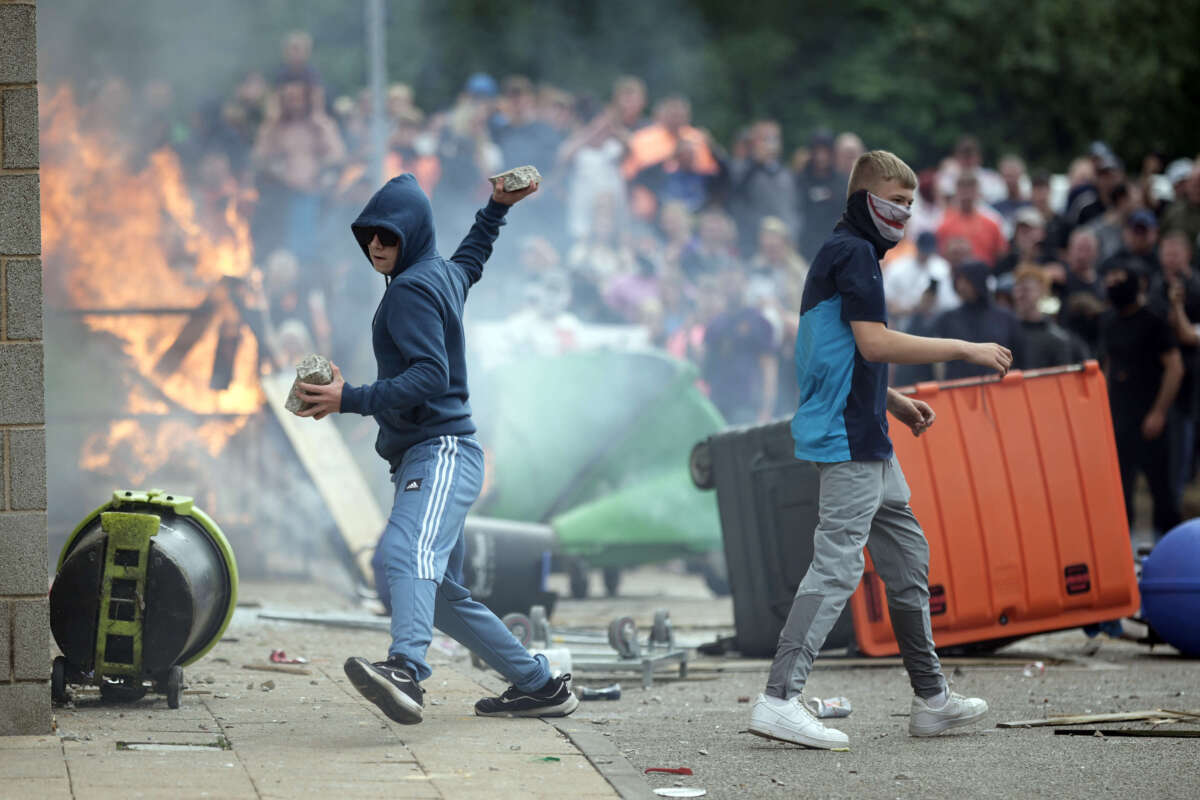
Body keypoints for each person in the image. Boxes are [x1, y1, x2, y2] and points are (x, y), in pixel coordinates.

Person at [291, 173, 579, 724]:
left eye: (389, 236)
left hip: (439, 451)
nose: (377, 245)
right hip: (435, 454)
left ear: (412, 235)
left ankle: (406, 669)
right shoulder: (438, 274)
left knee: (405, 553)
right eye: (370, 235)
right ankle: (540, 685)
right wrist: (495, 208)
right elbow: (472, 259)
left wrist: (347, 398)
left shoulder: (408, 290)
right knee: (444, 596)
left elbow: (430, 374)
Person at [748, 151, 1008, 750]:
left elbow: (836, 351)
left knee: (908, 564)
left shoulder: (847, 251)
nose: (906, 213)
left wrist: (890, 401)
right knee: (837, 566)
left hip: (869, 435)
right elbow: (872, 342)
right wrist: (965, 349)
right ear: (866, 199)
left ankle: (933, 700)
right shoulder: (855, 253)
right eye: (897, 201)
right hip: (847, 441)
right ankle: (778, 699)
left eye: (912, 204)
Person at [1098, 261, 1184, 540]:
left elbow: (1175, 367)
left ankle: (1174, 552)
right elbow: (1110, 365)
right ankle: (1126, 555)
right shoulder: (1109, 321)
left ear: (1137, 284)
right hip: (1121, 417)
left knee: (1163, 494)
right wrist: (1104, 409)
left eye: (1120, 278)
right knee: (1120, 491)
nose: (1113, 284)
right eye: (1110, 278)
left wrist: (1158, 413)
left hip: (1151, 418)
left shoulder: (1154, 320)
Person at [1150, 231, 1200, 504]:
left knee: (1182, 446)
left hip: (1189, 380)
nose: (1170, 258)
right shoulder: (1155, 286)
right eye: (1166, 252)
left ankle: (1177, 504)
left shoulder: (1197, 287)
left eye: (1175, 252)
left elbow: (1188, 335)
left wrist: (1177, 306)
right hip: (1157, 377)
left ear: (1187, 255)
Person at [933, 261, 1025, 379]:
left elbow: (1019, 358)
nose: (961, 287)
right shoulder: (947, 319)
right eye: (959, 281)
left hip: (999, 387)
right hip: (958, 389)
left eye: (966, 281)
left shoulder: (1006, 318)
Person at [730, 119, 798, 256]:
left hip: (782, 246)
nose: (770, 144)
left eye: (774, 139)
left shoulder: (786, 174)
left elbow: (792, 209)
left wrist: (791, 234)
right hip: (752, 245)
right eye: (765, 139)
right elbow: (736, 198)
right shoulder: (741, 170)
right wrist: (755, 163)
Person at [1011, 264, 1088, 369]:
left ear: (1042, 291)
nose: (1019, 295)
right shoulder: (1007, 333)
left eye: (1026, 290)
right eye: (1017, 289)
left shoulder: (1056, 338)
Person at [882, 231, 959, 330]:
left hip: (934, 322)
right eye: (923, 250)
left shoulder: (942, 268)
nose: (925, 254)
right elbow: (887, 299)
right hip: (902, 321)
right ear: (916, 247)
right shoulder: (898, 267)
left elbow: (949, 302)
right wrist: (909, 309)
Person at [796, 128, 848, 261]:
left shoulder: (843, 183)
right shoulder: (800, 181)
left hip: (834, 249)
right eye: (817, 151)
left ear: (832, 154)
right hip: (804, 248)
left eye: (825, 151)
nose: (821, 156)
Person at [936, 172, 1006, 267]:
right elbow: (939, 255)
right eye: (963, 189)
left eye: (970, 189)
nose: (967, 194)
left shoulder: (991, 222)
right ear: (957, 191)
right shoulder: (944, 223)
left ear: (977, 192)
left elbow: (1001, 254)